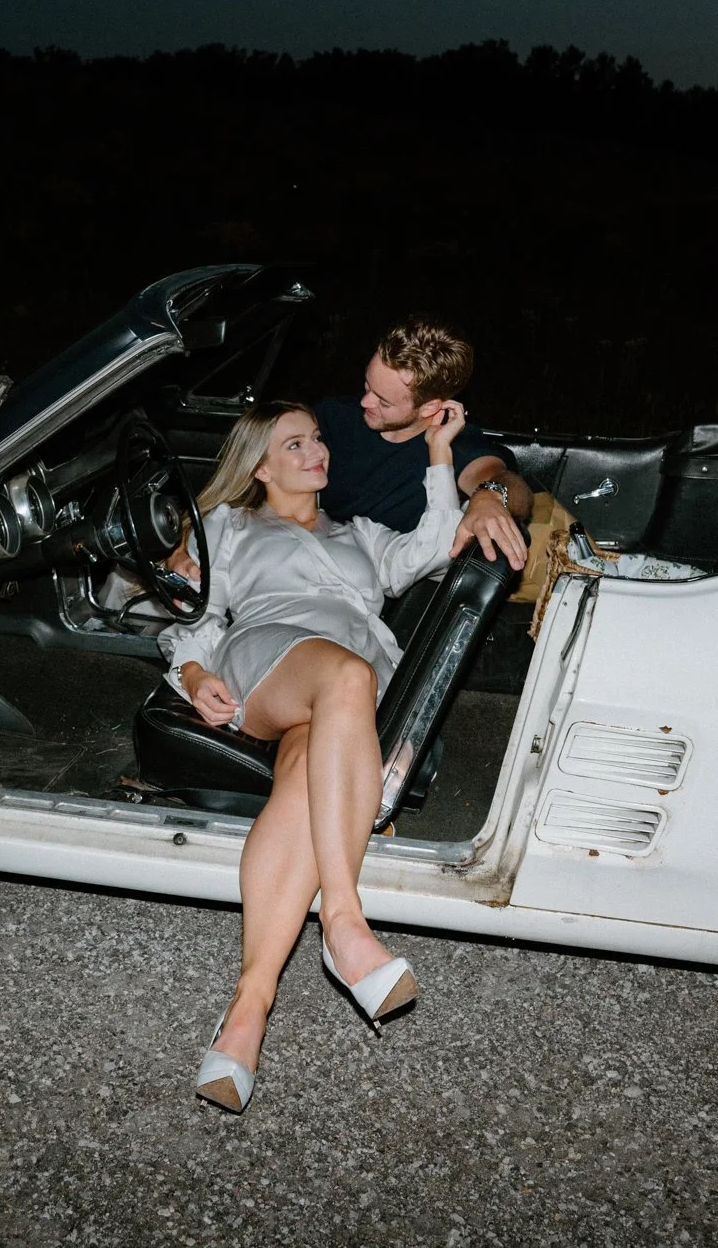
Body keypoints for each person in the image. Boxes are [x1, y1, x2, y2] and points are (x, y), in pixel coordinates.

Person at [167, 398, 466, 1113]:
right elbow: (192, 621)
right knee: (345, 676)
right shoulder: (229, 528)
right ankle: (343, 922)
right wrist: (194, 676)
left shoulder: (359, 534)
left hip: (348, 686)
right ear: (260, 466)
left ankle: (247, 1010)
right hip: (269, 661)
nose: (317, 450)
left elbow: (436, 541)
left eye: (319, 439)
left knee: (305, 775)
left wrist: (442, 452)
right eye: (294, 443)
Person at [171, 315, 532, 584]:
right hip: (274, 558)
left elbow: (508, 485)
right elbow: (251, 475)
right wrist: (185, 543)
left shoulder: (456, 445)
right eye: (366, 385)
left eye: (383, 400)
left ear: (428, 408)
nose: (364, 401)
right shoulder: (335, 417)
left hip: (354, 581)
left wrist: (489, 498)